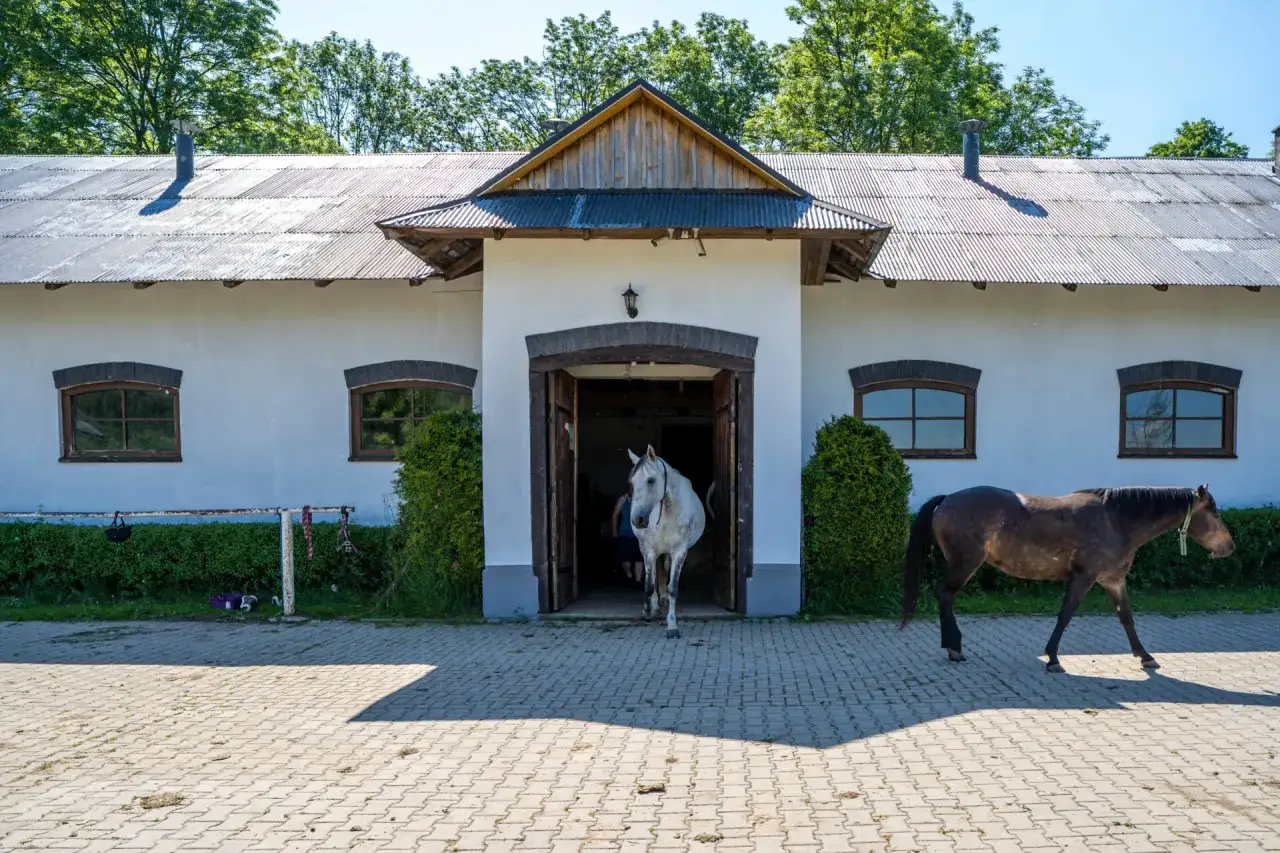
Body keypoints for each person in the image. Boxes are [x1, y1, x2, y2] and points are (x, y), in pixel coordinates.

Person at [611, 492, 644, 586]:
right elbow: (615, 515)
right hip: (624, 533)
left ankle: (638, 581)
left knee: (639, 558)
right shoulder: (623, 499)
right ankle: (629, 576)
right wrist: (614, 533)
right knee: (624, 559)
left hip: (639, 534)